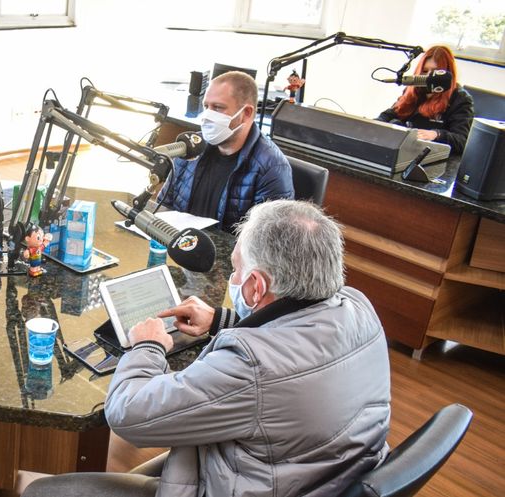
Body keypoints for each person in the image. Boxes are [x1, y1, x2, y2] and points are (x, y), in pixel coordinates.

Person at [23, 200, 391, 497]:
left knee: (41, 491)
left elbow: (127, 414)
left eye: (237, 270)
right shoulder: (358, 307)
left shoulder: (250, 367)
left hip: (245, 483)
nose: (233, 279)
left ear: (256, 287)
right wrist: (220, 319)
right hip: (309, 476)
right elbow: (292, 342)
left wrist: (148, 346)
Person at [156, 71, 293, 233]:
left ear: (246, 113)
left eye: (218, 108)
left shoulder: (271, 168)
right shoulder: (190, 146)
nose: (207, 116)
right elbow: (164, 206)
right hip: (177, 243)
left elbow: (266, 241)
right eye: (206, 106)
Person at [377, 45, 474, 155]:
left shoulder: (460, 99)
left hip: (431, 156)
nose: (428, 77)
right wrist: (374, 125)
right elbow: (391, 114)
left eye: (434, 72)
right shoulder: (413, 90)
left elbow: (461, 141)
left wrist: (437, 135)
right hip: (405, 151)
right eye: (424, 71)